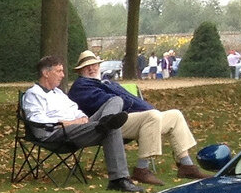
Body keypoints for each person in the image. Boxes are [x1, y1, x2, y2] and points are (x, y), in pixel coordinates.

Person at [69, 50, 207, 182]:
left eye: (94, 64)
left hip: (132, 118)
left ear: (99, 66)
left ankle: (186, 165)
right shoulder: (82, 87)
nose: (91, 68)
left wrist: (144, 108)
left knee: (175, 115)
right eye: (87, 67)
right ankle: (142, 169)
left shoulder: (107, 82)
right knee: (152, 116)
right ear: (80, 71)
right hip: (109, 124)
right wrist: (143, 109)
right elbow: (110, 103)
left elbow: (132, 99)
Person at [21, 54, 140, 193]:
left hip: (79, 127)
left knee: (116, 100)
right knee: (112, 127)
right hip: (56, 133)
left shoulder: (58, 93)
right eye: (59, 71)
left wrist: (82, 117)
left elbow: (75, 110)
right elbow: (36, 119)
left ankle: (105, 122)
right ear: (46, 73)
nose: (63, 75)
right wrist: (69, 122)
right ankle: (119, 180)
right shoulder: (33, 94)